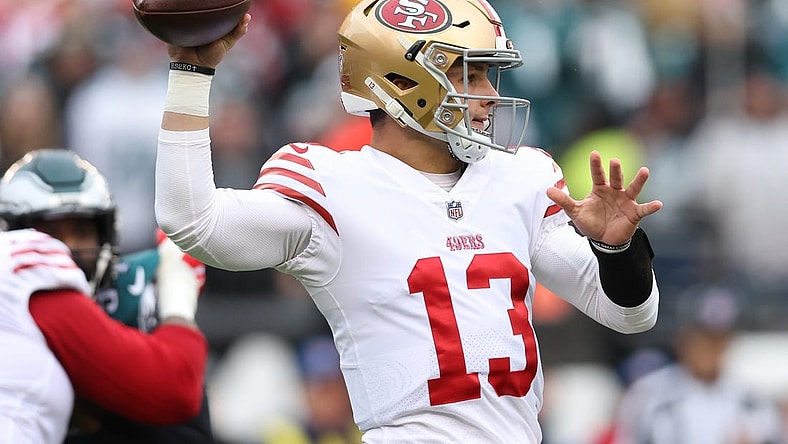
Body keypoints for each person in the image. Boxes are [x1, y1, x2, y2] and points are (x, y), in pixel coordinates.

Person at [152, 1, 662, 442]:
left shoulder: (522, 178)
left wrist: (617, 250)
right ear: (403, 81)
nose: (487, 94)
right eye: (469, 73)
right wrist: (191, 76)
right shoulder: (333, 184)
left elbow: (631, 314)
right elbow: (196, 223)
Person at [0, 148, 210, 443]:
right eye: (50, 232)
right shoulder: (31, 283)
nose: (68, 249)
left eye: (82, 230)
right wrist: (178, 299)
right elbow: (178, 388)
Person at [610, 285, 784, 444]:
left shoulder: (754, 402)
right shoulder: (647, 396)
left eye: (719, 340)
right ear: (682, 340)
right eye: (702, 339)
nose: (710, 349)